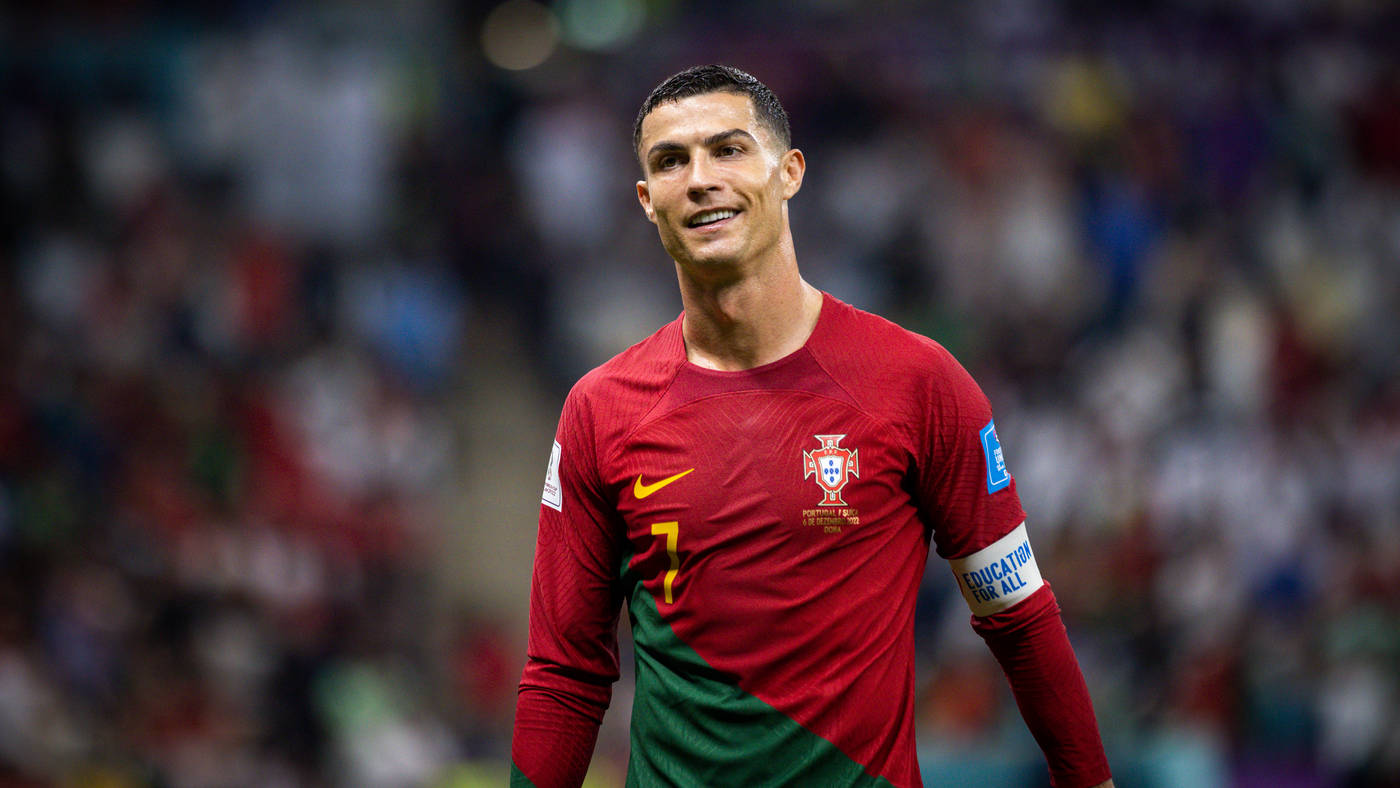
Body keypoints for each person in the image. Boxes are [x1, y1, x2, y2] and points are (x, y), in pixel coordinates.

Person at [512, 64, 1114, 788]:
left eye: (728, 149)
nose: (700, 179)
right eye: (671, 161)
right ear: (647, 200)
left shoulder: (917, 383)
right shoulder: (600, 410)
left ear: (790, 172)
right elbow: (565, 673)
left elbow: (1017, 616)